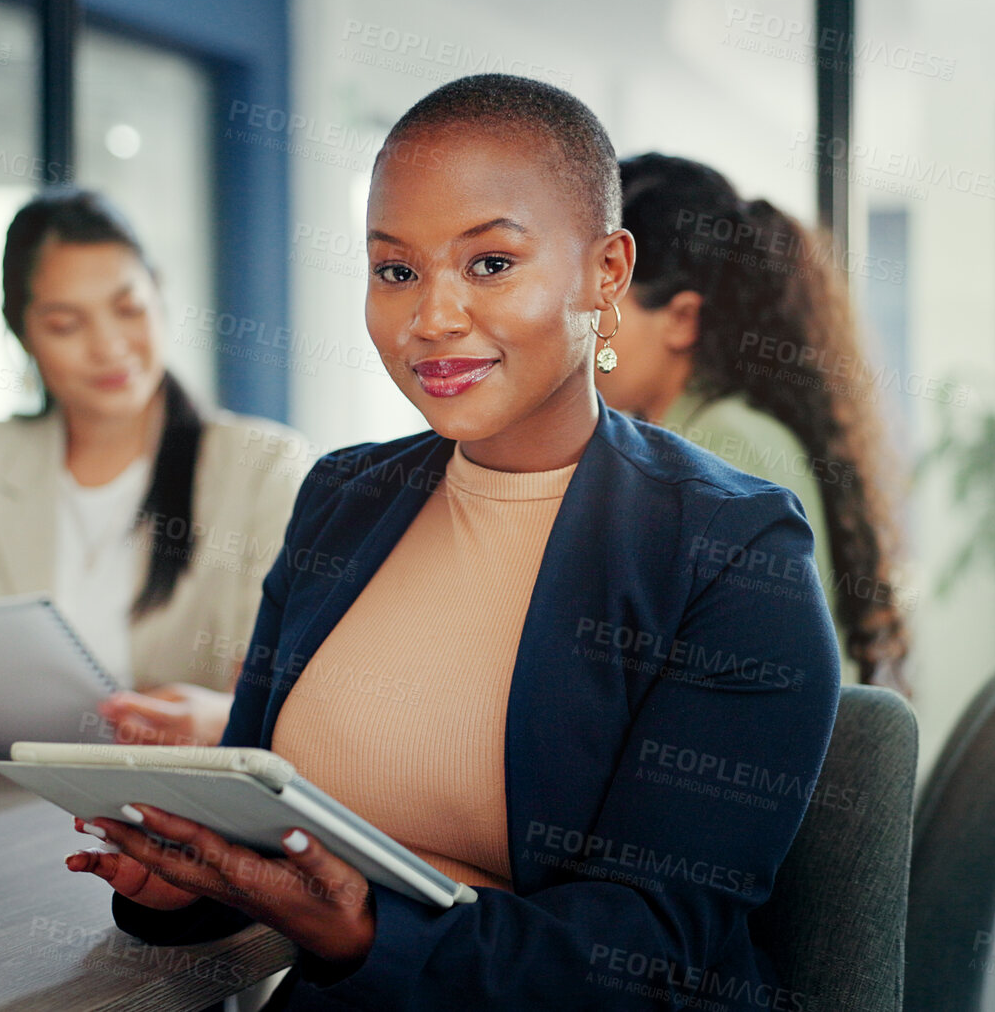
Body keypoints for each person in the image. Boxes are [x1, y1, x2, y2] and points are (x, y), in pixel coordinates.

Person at [66, 75, 840, 1010]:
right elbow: (260, 815)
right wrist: (187, 887)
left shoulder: (729, 545)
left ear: (607, 272)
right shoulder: (343, 496)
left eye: (490, 264)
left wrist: (367, 930)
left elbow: (657, 947)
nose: (430, 317)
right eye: (396, 270)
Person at [0, 189, 311, 756]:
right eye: (66, 324)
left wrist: (221, 719)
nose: (109, 346)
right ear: (22, 334)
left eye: (129, 309)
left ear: (159, 299)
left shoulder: (263, 467)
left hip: (172, 801)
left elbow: (290, 686)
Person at [597, 154, 909, 691]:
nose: (580, 335)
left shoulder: (722, 447)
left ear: (681, 319)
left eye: (602, 307)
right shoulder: (718, 431)